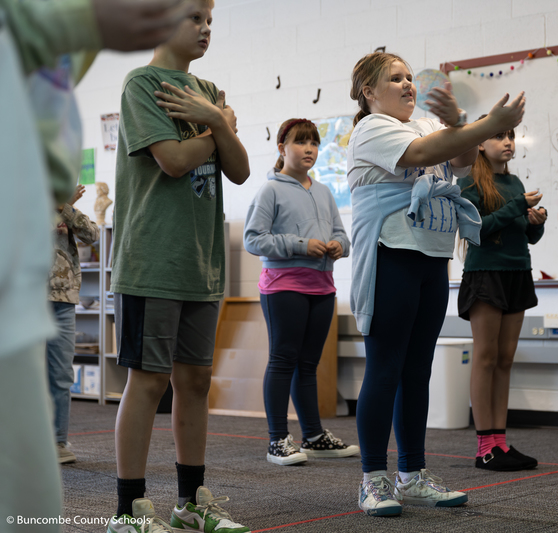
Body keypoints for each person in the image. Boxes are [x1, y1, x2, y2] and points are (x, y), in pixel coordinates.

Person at [0, 0, 190, 532]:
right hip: (20, 278)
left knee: (32, 494)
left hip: (43, 293)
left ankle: (59, 441)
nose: (198, 25)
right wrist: (85, 23)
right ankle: (125, 503)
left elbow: (87, 231)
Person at [347, 51, 526, 517]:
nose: (408, 85)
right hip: (391, 254)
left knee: (416, 370)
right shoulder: (371, 127)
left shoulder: (426, 124)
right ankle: (372, 480)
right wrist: (483, 125)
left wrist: (461, 123)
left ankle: (412, 476)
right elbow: (425, 155)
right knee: (385, 368)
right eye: (395, 78)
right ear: (369, 92)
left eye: (410, 77)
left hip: (431, 257)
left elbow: (463, 159)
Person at [109, 0, 251, 530]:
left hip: (201, 264)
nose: (205, 28)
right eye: (194, 17)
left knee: (194, 382)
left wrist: (215, 118)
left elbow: (238, 170)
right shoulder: (141, 85)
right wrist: (219, 129)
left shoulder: (209, 94)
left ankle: (191, 502)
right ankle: (129, 510)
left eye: (210, 20)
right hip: (152, 261)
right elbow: (171, 161)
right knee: (147, 383)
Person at [243, 118, 358, 466]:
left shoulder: (323, 191)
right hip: (283, 287)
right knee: (283, 360)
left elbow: (343, 235)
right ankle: (278, 440)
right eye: (300, 142)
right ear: (282, 148)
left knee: (308, 365)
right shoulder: (270, 190)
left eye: (314, 143)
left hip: (322, 288)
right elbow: (253, 239)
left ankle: (314, 436)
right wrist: (299, 245)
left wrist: (339, 245)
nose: (309, 149)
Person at [456, 118, 547, 471]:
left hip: (517, 273)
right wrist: (515, 209)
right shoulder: (470, 184)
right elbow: (476, 229)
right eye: (498, 135)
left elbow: (524, 234)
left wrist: (536, 221)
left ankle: (500, 443)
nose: (507, 141)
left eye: (510, 136)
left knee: (505, 360)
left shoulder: (516, 182)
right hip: (485, 275)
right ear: (480, 143)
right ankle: (484, 446)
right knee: (486, 357)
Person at [47, 184, 101, 464]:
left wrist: (64, 208)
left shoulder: (64, 208)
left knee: (60, 374)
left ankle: (57, 441)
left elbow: (93, 234)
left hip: (63, 300)